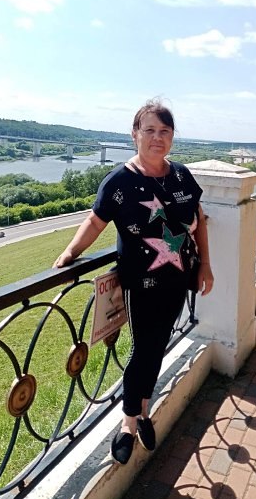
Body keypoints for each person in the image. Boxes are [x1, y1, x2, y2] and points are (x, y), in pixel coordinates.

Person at [53, 98, 214, 465]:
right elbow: (95, 221)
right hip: (141, 283)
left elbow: (199, 220)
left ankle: (143, 409)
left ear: (172, 137)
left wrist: (205, 265)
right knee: (143, 349)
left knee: (157, 345)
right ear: (135, 135)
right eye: (150, 130)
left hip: (178, 278)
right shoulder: (120, 182)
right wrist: (71, 252)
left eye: (165, 131)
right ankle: (129, 422)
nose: (157, 138)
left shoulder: (181, 176)